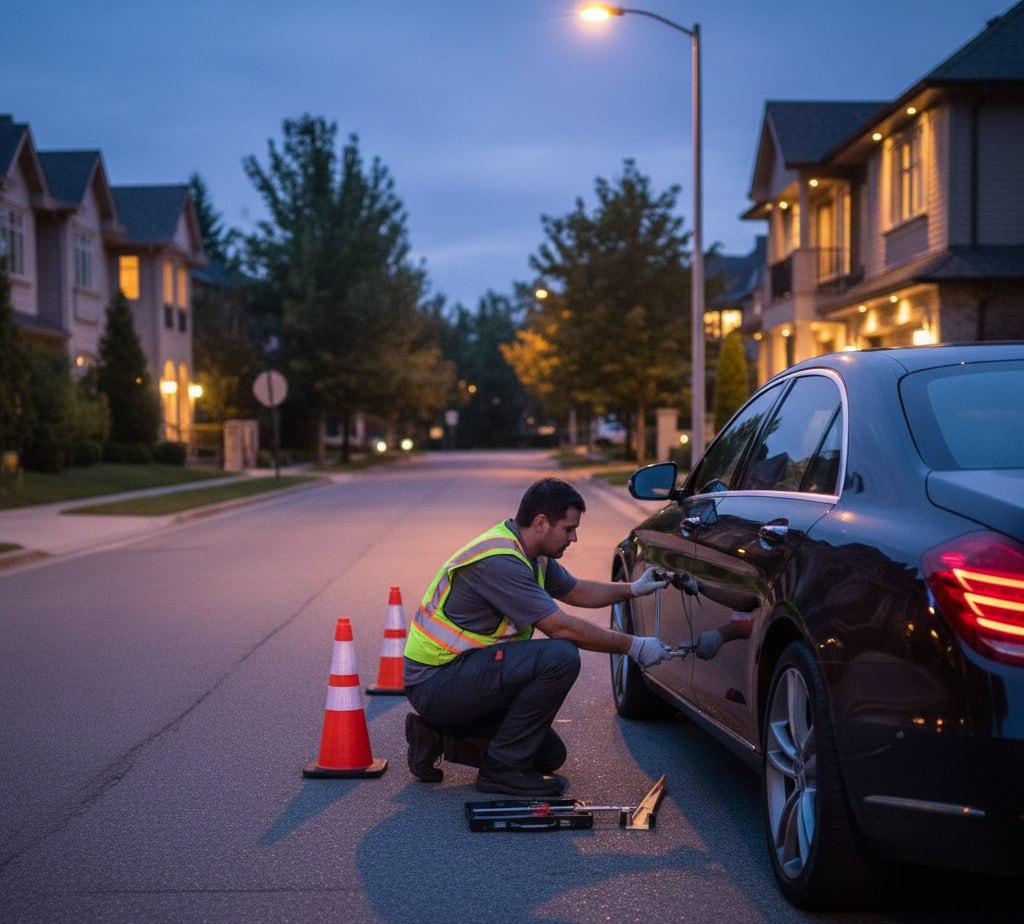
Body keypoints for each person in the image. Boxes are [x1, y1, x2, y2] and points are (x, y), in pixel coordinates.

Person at [403, 477, 672, 797]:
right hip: (436, 682)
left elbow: (576, 591)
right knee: (559, 656)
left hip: (464, 676)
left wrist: (633, 588)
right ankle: (502, 771)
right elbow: (560, 627)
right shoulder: (501, 561)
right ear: (542, 523)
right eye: (569, 529)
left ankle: (435, 736)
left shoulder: (534, 555)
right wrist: (634, 646)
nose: (574, 537)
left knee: (548, 755)